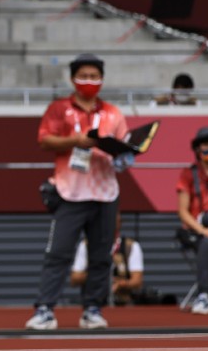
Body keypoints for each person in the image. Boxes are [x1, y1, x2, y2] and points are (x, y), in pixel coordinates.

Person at [27, 53, 129, 331]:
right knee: (59, 252)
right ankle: (45, 309)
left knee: (101, 255)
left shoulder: (113, 113)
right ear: (73, 79)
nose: (89, 81)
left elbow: (124, 147)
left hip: (105, 192)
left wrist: (126, 155)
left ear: (102, 79)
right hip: (70, 191)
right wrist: (78, 141)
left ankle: (93, 308)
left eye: (94, 76)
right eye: (83, 75)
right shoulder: (59, 109)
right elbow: (44, 139)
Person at [175, 126, 208, 315]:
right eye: (206, 144)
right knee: (207, 241)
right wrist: (202, 230)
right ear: (197, 148)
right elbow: (183, 211)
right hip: (195, 231)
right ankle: (204, 296)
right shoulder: (189, 174)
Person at [69, 214, 143, 306]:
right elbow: (74, 279)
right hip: (92, 301)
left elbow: (137, 281)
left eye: (114, 220)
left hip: (122, 303)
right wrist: (99, 277)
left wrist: (121, 284)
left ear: (120, 223)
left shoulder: (130, 246)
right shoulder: (86, 245)